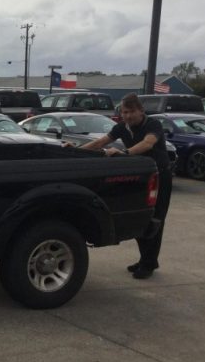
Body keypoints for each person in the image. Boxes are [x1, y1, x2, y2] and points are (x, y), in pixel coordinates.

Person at [69, 93, 172, 279]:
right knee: (142, 217)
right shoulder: (121, 128)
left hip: (160, 177)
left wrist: (124, 153)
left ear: (141, 111)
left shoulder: (153, 125)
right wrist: (75, 151)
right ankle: (147, 260)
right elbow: (101, 142)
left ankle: (148, 264)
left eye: (131, 111)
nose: (127, 116)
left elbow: (148, 143)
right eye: (124, 112)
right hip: (142, 176)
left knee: (155, 219)